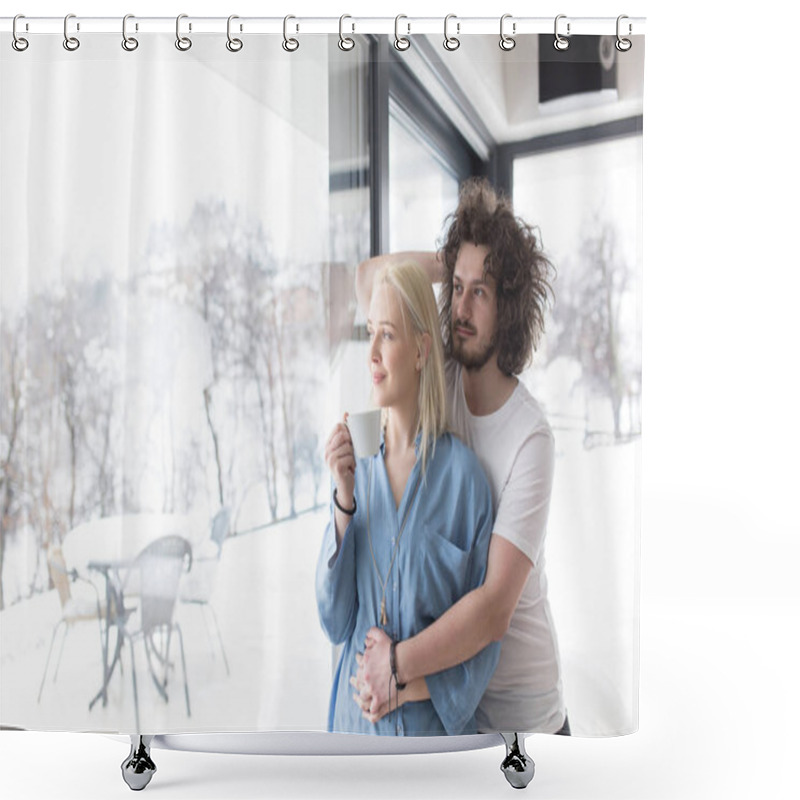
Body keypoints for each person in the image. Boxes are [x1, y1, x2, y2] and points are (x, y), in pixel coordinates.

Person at [353, 177, 568, 735]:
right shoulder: (439, 377)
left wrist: (394, 666)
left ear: (511, 308)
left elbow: (495, 609)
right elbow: (367, 283)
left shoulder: (530, 440)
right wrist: (454, 261)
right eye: (457, 287)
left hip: (523, 712)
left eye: (483, 292)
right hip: (451, 697)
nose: (462, 307)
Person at [315, 260, 500, 736]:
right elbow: (334, 622)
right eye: (370, 333)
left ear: (421, 350)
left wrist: (402, 684)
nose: (371, 352)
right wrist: (343, 499)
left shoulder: (466, 483)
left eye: (388, 335)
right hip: (354, 739)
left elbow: (480, 651)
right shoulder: (357, 471)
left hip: (430, 754)